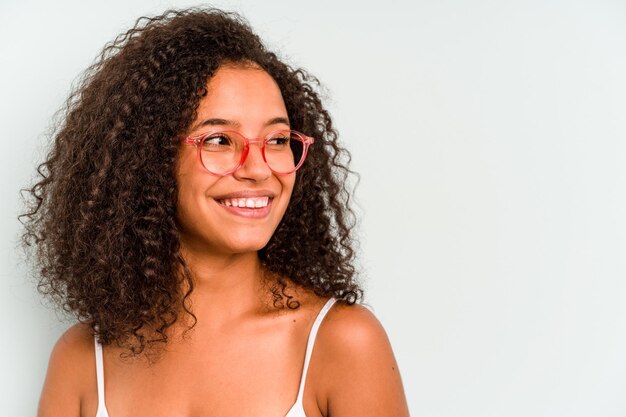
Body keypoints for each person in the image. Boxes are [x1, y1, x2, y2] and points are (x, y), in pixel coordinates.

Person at [21, 8, 410, 417]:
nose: (259, 168)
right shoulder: (82, 360)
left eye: (277, 139)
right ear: (148, 159)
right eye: (221, 139)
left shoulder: (342, 343)